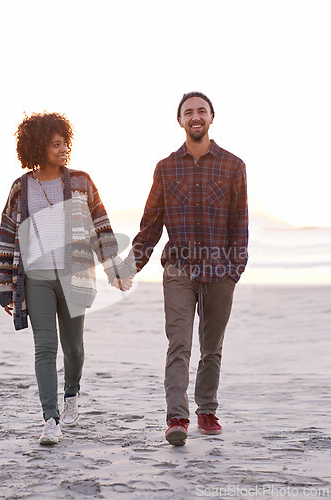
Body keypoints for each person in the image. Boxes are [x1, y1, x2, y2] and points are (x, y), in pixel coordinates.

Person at [0, 112, 131, 445]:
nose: (63, 149)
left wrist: (114, 266)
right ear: (38, 147)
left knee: (73, 347)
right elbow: (7, 233)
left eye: (64, 143)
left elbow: (100, 225)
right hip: (36, 277)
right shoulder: (21, 187)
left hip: (75, 276)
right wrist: (4, 284)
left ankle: (72, 393)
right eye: (55, 144)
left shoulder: (82, 181)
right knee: (45, 347)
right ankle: (50, 420)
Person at [120, 92, 248, 446]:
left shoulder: (233, 166)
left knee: (212, 347)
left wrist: (235, 268)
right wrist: (131, 265)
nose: (195, 116)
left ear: (211, 118)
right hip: (178, 268)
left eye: (201, 111)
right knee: (179, 344)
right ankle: (177, 418)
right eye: (188, 112)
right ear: (180, 121)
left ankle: (206, 408)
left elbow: (241, 223)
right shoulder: (165, 167)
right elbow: (151, 223)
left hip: (220, 271)